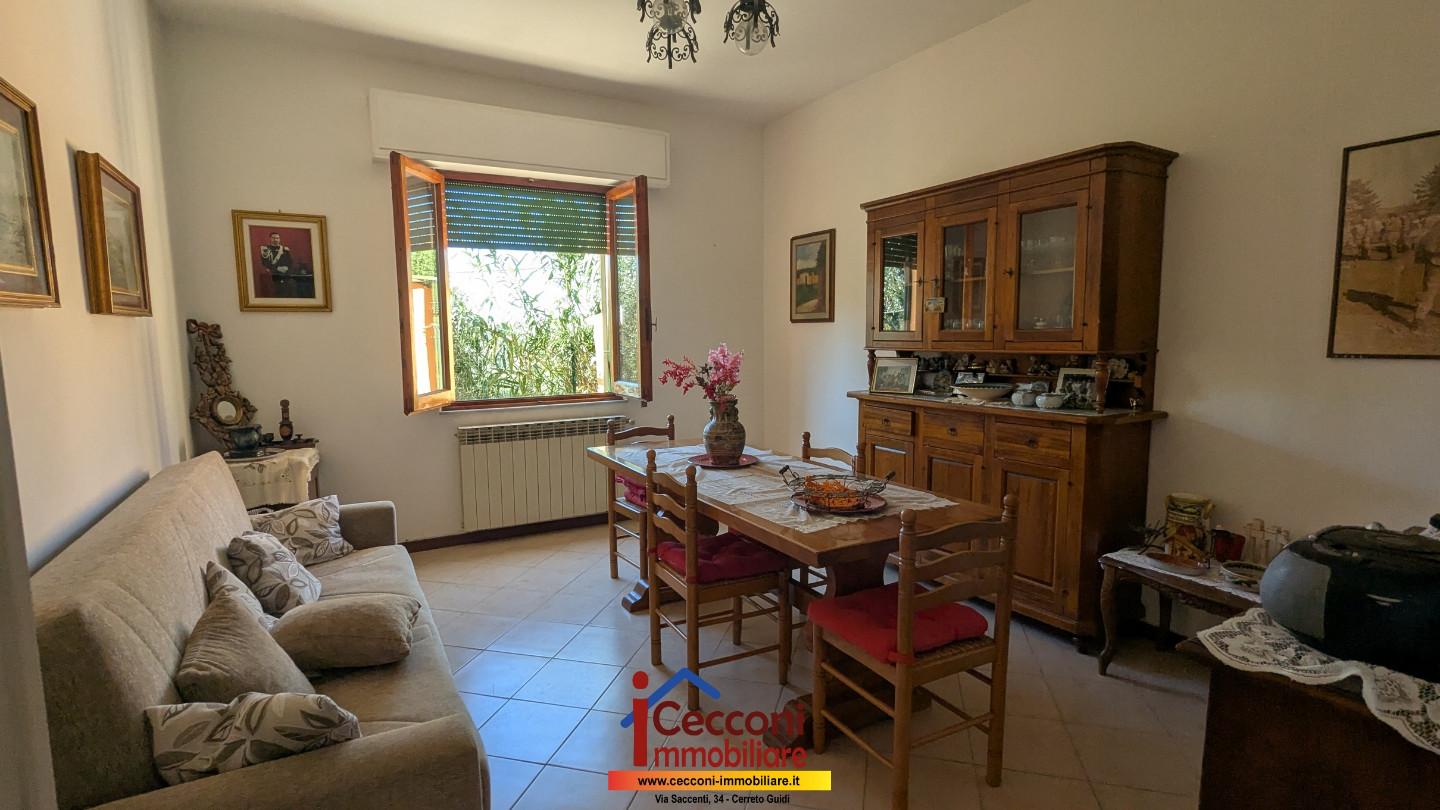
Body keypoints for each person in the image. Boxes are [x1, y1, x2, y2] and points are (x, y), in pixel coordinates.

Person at [1411, 218, 1440, 329]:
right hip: (1435, 261)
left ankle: (1419, 317)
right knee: (1429, 290)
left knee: (1429, 290)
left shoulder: (1435, 224)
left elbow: (1424, 242)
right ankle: (1419, 318)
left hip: (1433, 261)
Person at [259, 232, 296, 296]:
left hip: (285, 275)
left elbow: (291, 262)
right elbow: (265, 263)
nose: (276, 240)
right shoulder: (266, 249)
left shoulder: (285, 249)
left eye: (277, 238)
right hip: (273, 276)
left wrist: (287, 268)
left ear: (279, 239)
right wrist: (277, 268)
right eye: (273, 238)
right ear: (270, 239)